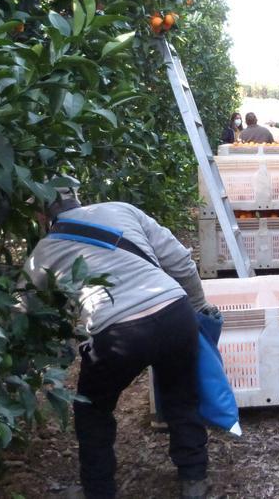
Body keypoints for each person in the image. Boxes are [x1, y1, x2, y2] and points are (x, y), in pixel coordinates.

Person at [24, 178, 218, 499]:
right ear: (76, 197)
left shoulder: (43, 252)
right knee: (181, 394)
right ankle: (194, 478)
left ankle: (98, 490)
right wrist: (198, 308)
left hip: (118, 333)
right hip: (174, 310)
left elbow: (22, 310)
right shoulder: (120, 210)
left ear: (42, 216)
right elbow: (181, 262)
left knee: (93, 410)